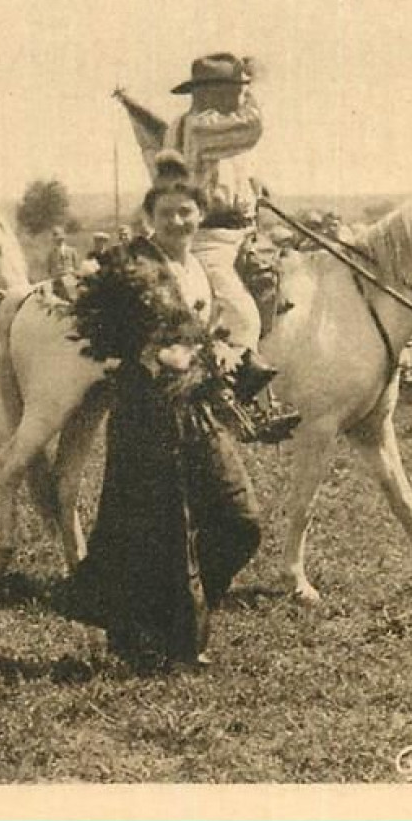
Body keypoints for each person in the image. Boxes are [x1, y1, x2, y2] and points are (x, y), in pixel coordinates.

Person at [64, 165, 262, 670]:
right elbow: (107, 331)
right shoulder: (134, 266)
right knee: (161, 531)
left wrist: (218, 355)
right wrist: (150, 354)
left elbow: (201, 331)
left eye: (187, 211)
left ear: (200, 214)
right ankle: (170, 642)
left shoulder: (198, 266)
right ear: (149, 217)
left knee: (240, 521)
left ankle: (164, 620)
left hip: (196, 406)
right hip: (147, 415)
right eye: (166, 212)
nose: (178, 220)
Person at [158, 53, 300, 440]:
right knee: (242, 318)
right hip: (209, 239)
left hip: (242, 231)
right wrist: (254, 85)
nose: (242, 97)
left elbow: (232, 168)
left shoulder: (214, 126)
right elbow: (253, 128)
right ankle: (231, 408)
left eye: (242, 90)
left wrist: (253, 189)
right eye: (237, 90)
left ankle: (263, 397)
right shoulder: (199, 126)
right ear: (214, 93)